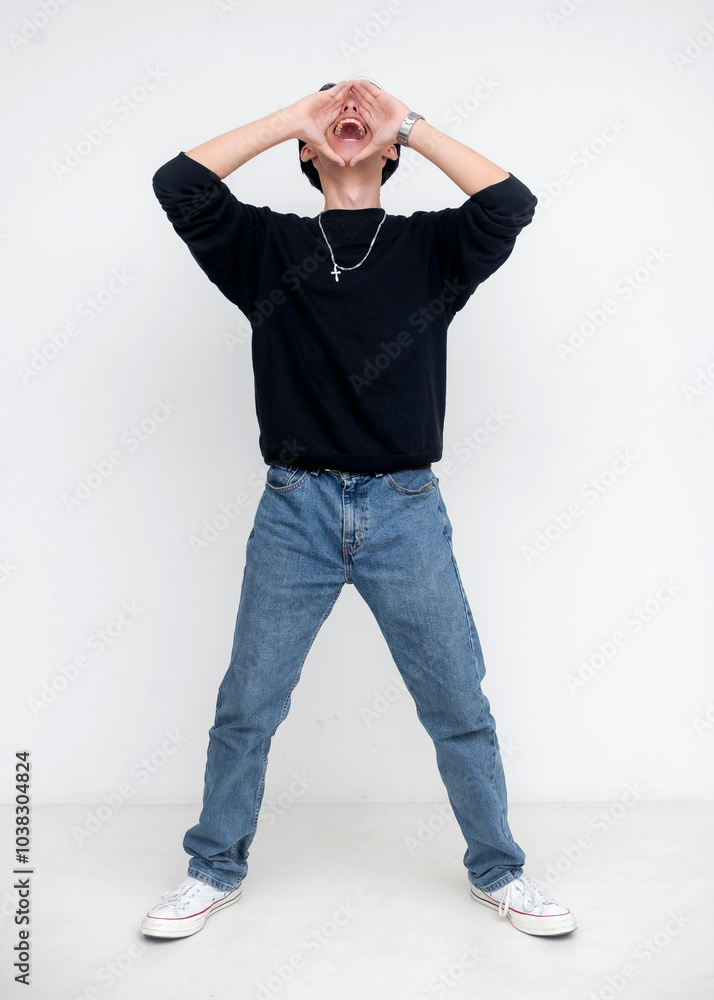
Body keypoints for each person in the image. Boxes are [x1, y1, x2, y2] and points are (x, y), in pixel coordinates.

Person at [141, 78, 576, 940]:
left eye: (371, 126)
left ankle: (501, 871)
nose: (348, 122)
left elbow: (511, 201)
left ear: (394, 154)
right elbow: (177, 186)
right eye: (329, 121)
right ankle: (212, 868)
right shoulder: (263, 247)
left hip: (404, 510)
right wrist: (291, 118)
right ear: (307, 152)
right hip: (294, 510)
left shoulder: (434, 249)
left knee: (458, 705)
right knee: (248, 704)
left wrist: (405, 117)